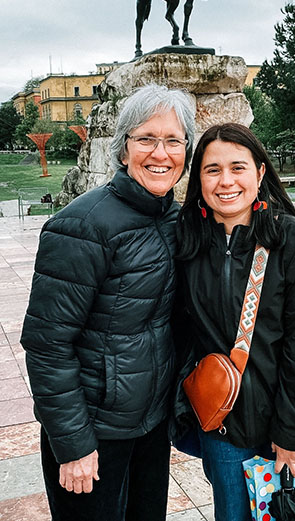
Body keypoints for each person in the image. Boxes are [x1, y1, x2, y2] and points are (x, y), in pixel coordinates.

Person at [20, 83, 195, 520]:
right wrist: (74, 444)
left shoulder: (175, 218)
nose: (161, 152)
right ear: (123, 150)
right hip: (94, 432)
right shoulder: (80, 225)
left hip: (150, 425)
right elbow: (47, 346)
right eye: (146, 139)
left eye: (173, 140)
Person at [172, 123, 295, 521]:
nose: (226, 181)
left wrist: (290, 432)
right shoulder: (188, 243)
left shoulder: (292, 241)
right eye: (212, 170)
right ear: (199, 180)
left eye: (238, 167)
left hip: (294, 425)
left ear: (260, 174)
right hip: (225, 427)